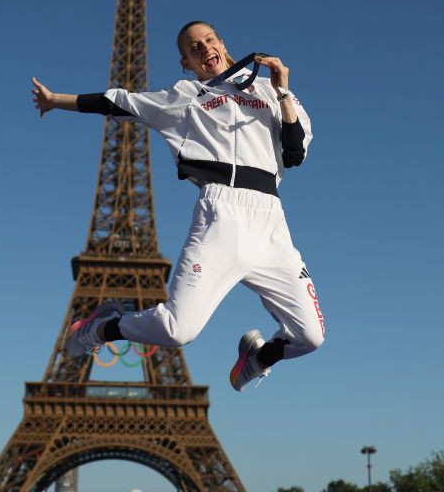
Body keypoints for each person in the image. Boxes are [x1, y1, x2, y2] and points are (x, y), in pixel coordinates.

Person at [31, 20, 325, 390]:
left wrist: (282, 93)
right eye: (193, 48)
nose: (204, 50)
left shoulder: (271, 91)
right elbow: (119, 101)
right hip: (222, 215)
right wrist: (56, 100)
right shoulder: (186, 95)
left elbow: (295, 153)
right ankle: (102, 327)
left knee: (310, 337)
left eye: (209, 40)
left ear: (223, 43)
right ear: (187, 63)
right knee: (178, 329)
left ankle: (257, 357)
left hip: (270, 223)